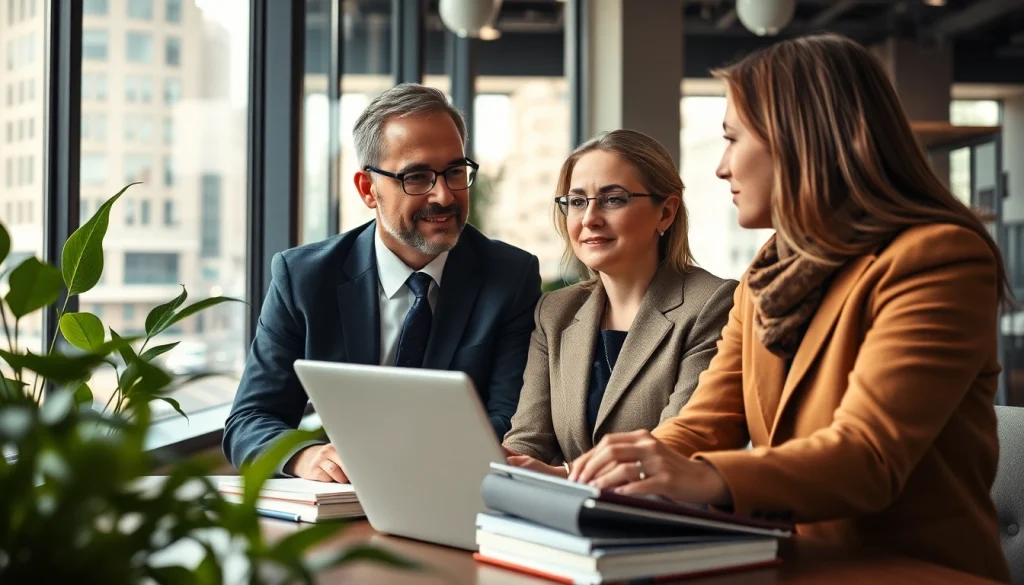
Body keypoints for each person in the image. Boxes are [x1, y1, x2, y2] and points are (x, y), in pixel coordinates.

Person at [567, 34, 1012, 583]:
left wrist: (697, 476)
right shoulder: (767, 275)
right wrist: (591, 476)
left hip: (913, 571)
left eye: (733, 139)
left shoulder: (937, 257)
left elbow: (867, 458)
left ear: (800, 139)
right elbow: (704, 426)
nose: (721, 167)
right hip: (789, 565)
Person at [223, 83, 542, 482]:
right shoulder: (304, 278)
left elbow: (507, 420)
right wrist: (304, 457)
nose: (444, 195)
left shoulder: (510, 276)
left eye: (455, 172)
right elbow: (249, 420)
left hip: (452, 490)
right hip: (345, 498)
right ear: (367, 189)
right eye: (417, 176)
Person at [501, 129, 736, 477]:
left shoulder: (711, 304)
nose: (589, 218)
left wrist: (565, 475)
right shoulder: (555, 312)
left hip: (659, 521)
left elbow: (678, 449)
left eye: (613, 199)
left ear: (666, 213)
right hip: (563, 520)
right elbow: (528, 442)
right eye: (577, 201)